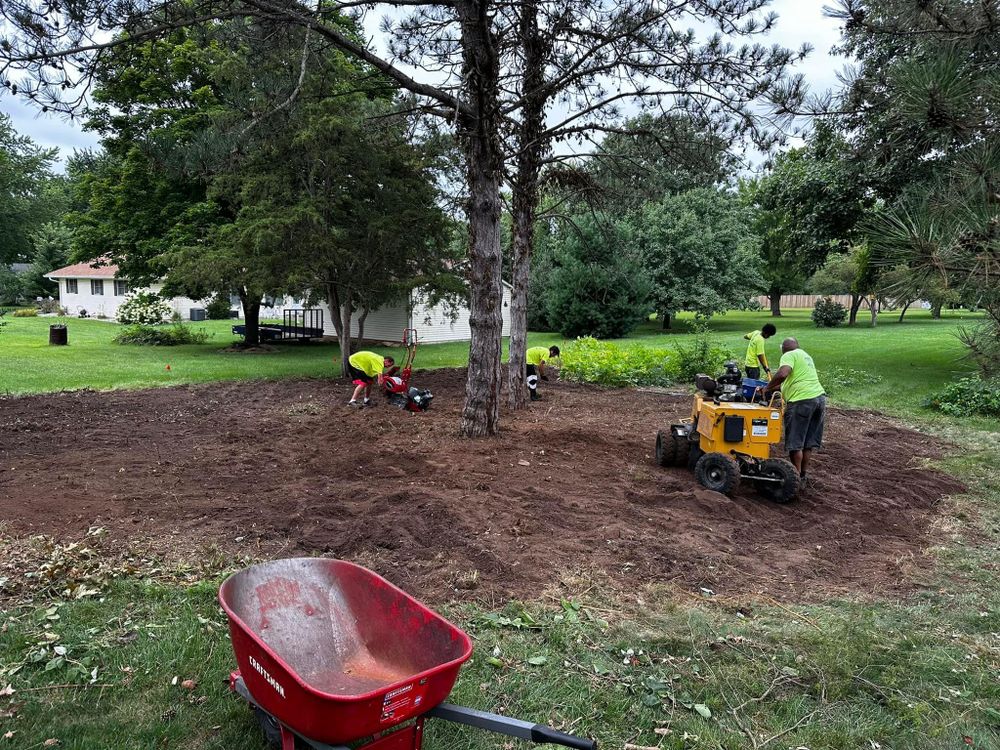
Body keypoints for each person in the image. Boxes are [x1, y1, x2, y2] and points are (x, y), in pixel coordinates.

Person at [763, 338, 826, 488]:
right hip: (819, 400)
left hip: (801, 402)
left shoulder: (788, 355)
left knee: (795, 443)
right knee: (807, 443)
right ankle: (802, 476)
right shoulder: (805, 356)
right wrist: (771, 388)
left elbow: (783, 374)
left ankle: (794, 480)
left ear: (783, 349)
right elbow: (792, 382)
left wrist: (767, 388)